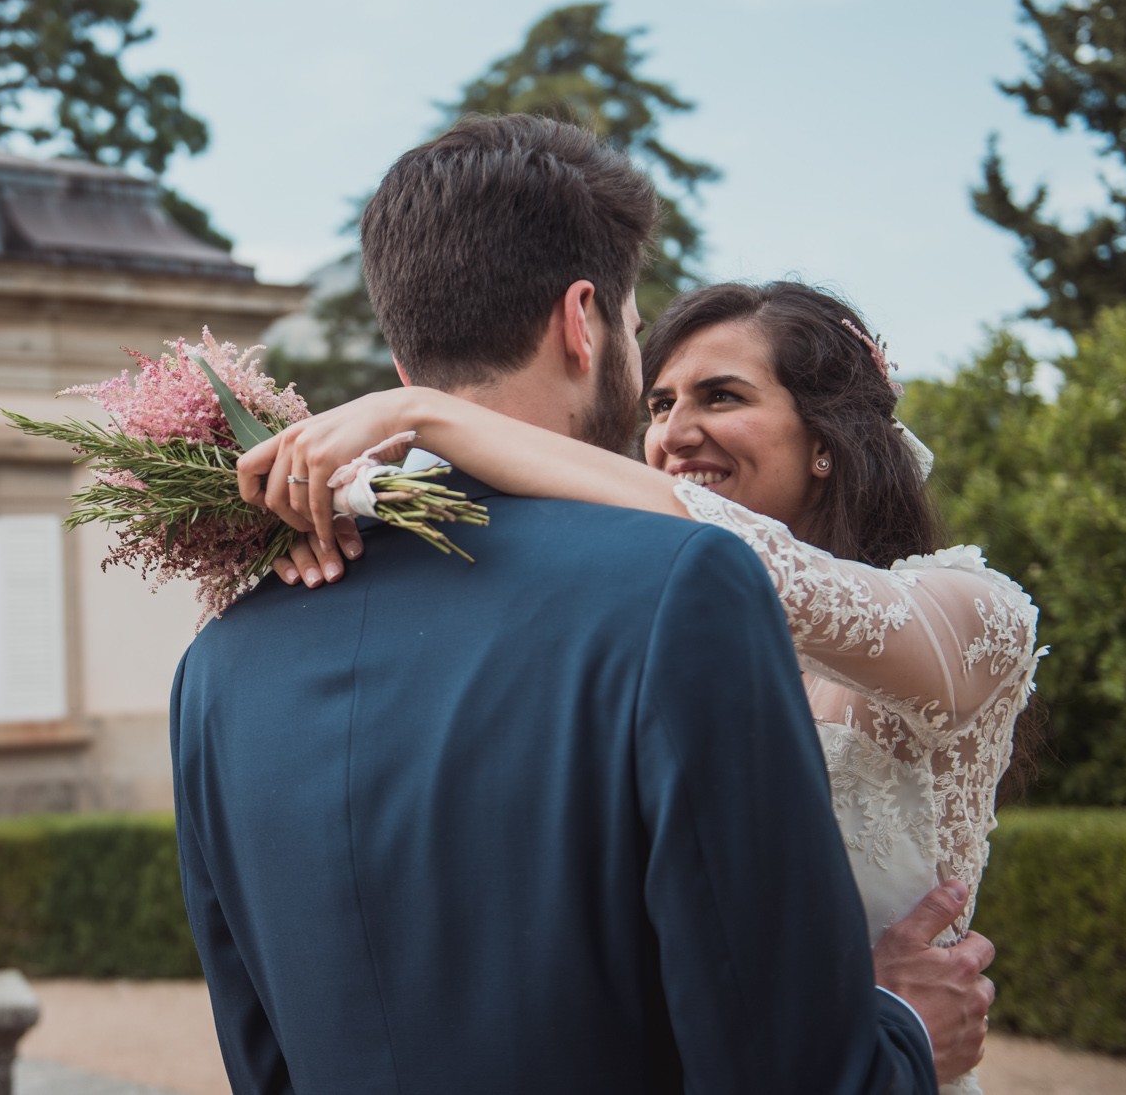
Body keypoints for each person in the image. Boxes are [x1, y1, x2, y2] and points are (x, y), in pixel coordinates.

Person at [172, 114, 994, 1094]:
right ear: (581, 319)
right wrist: (902, 1028)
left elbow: (257, 1054)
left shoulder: (219, 662)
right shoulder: (679, 587)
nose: (666, 415)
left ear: (401, 361)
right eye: (639, 337)